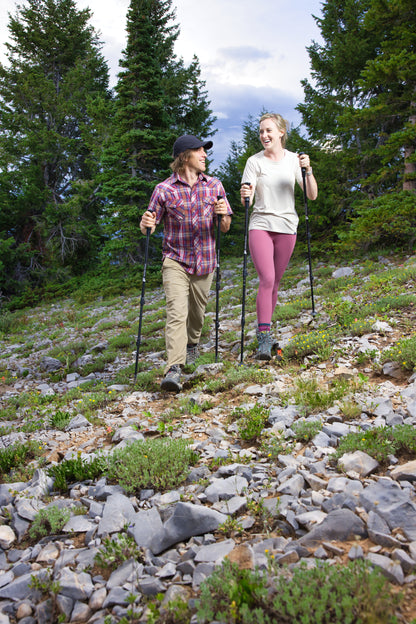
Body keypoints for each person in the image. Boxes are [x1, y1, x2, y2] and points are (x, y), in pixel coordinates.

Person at [140, 134, 232, 392]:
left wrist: (222, 216)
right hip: (175, 260)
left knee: (196, 314)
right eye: (200, 151)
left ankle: (192, 344)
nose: (204, 155)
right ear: (185, 156)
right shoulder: (164, 189)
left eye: (205, 151)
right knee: (176, 312)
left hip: (206, 261)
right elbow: (148, 224)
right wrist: (144, 223)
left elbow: (225, 228)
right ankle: (174, 368)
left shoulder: (215, 186)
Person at [240, 112, 318, 360]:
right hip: (261, 224)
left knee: (275, 282)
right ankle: (263, 338)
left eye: (269, 131)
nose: (264, 135)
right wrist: (246, 194)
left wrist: (308, 171)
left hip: (287, 227)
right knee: (267, 278)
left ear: (281, 132)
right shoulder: (254, 162)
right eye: (261, 131)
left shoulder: (294, 160)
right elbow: (248, 200)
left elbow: (311, 195)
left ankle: (267, 329)